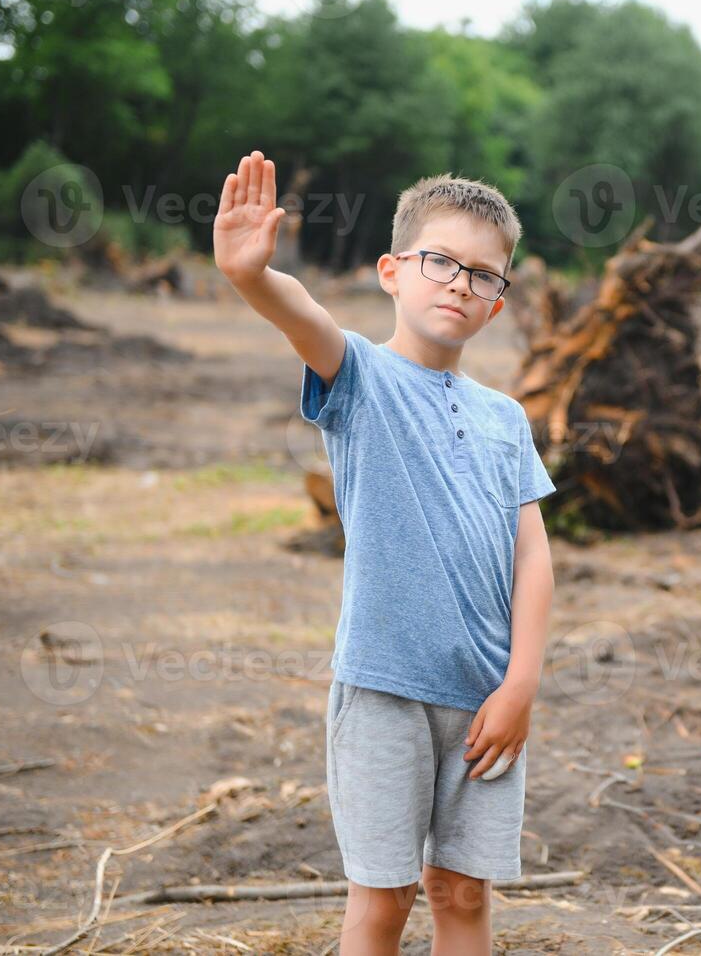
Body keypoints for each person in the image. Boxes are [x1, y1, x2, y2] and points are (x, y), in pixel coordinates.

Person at [213, 149, 556, 955]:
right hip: (383, 691)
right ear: (392, 271)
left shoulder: (505, 418)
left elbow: (531, 557)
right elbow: (306, 320)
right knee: (385, 898)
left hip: (485, 702)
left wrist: (521, 686)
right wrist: (251, 278)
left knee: (462, 894)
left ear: (498, 303)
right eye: (439, 262)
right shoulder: (359, 377)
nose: (459, 284)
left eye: (483, 275)